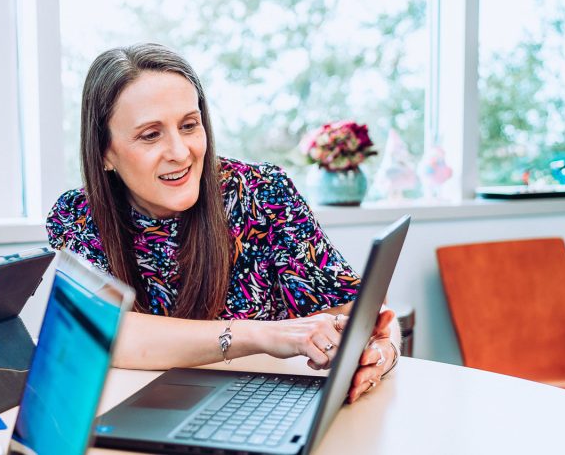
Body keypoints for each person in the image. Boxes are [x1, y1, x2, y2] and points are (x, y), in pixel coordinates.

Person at [47, 43, 401, 402]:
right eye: (150, 135)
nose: (180, 152)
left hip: (258, 410)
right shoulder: (77, 217)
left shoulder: (264, 193)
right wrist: (263, 335)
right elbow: (101, 333)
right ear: (105, 152)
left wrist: (382, 353)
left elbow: (364, 314)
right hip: (127, 414)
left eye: (188, 125)